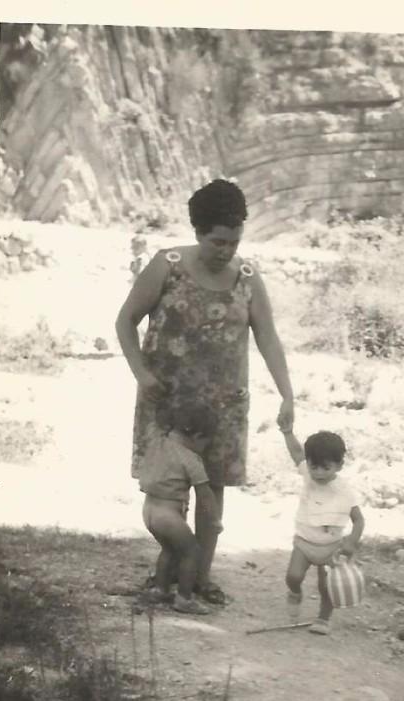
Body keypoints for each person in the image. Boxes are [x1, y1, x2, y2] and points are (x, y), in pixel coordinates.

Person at [115, 178, 294, 605]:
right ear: (198, 232)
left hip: (222, 411)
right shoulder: (167, 264)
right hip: (168, 405)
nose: (226, 250)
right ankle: (170, 572)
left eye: (234, 241)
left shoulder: (248, 278)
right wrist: (141, 372)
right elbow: (125, 322)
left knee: (212, 498)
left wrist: (288, 394)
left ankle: (200, 578)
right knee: (169, 493)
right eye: (217, 241)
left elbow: (268, 338)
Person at [138, 399, 222, 615]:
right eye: (206, 443)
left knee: (169, 550)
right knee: (192, 551)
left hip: (149, 511)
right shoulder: (191, 459)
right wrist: (214, 520)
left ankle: (161, 588)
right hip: (169, 516)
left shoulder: (157, 442)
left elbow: (152, 423)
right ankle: (184, 598)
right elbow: (205, 495)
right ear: (197, 437)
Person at [280, 426, 365, 635]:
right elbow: (297, 453)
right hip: (304, 541)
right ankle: (295, 592)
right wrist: (288, 432)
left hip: (331, 546)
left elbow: (359, 520)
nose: (318, 473)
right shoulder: (308, 477)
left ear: (339, 465)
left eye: (325, 468)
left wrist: (351, 542)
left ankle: (323, 618)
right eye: (313, 466)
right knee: (293, 576)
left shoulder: (344, 491)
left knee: (327, 585)